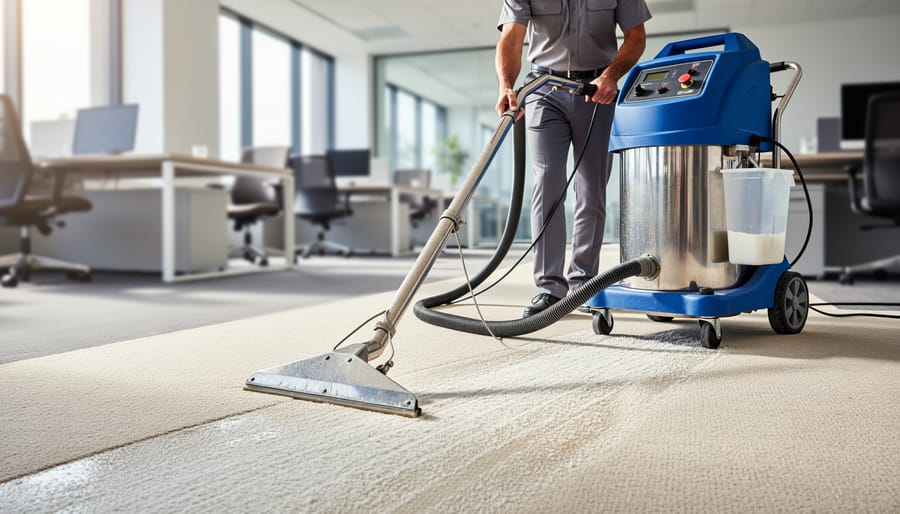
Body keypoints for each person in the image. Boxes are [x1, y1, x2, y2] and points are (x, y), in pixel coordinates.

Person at [495, 0, 651, 317]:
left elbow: (635, 36)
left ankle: (583, 283)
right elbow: (511, 36)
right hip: (544, 88)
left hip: (597, 89)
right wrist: (506, 86)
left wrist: (611, 75)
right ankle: (550, 288)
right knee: (547, 182)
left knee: (592, 187)